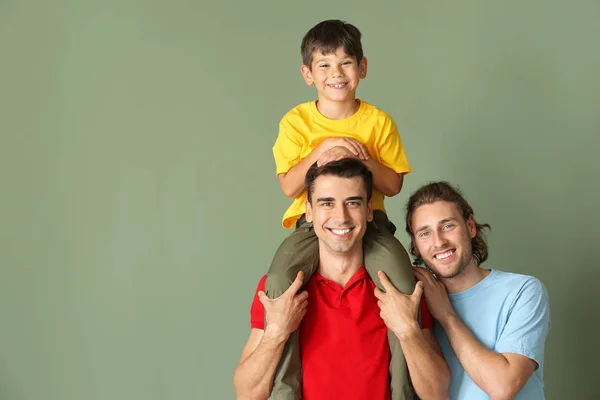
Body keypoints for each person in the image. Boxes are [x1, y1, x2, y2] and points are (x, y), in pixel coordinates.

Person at [267, 19, 414, 399]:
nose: (337, 73)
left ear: (362, 68)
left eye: (347, 63)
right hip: (311, 225)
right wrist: (322, 149)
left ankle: (403, 391)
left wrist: (362, 160)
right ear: (307, 73)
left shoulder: (379, 122)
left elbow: (394, 185)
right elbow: (288, 186)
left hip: (370, 224)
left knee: (401, 279)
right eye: (325, 65)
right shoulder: (296, 122)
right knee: (280, 279)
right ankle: (285, 391)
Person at [234, 159, 450, 400]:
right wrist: (276, 332)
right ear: (309, 211)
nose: (341, 216)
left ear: (369, 211)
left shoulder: (402, 289)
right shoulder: (281, 291)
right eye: (327, 203)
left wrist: (408, 330)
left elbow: (437, 394)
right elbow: (247, 395)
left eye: (353, 203)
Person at [405, 181, 551, 399]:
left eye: (447, 226)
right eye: (425, 233)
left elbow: (503, 387)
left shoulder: (523, 291)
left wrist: (446, 315)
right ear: (416, 245)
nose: (439, 242)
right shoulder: (416, 305)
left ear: (470, 227)